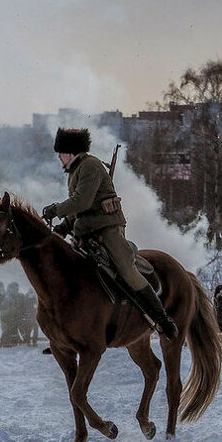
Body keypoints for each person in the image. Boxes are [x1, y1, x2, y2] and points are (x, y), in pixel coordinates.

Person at [41, 127, 178, 338]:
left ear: (69, 152)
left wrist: (56, 210)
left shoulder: (90, 166)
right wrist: (63, 226)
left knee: (126, 269)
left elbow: (82, 201)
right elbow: (80, 209)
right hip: (86, 231)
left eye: (60, 153)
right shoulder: (75, 171)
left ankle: (162, 319)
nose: (59, 157)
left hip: (107, 228)